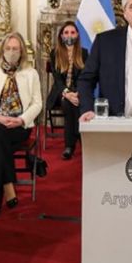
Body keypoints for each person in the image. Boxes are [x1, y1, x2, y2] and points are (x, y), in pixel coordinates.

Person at [0, 32, 43, 219]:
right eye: (8, 48)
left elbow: (37, 104)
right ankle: (7, 185)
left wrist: (21, 119)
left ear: (21, 51)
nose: (11, 52)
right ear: (2, 50)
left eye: (15, 49)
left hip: (19, 125)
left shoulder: (31, 74)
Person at [46, 22, 87, 160]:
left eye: (72, 32)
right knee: (69, 103)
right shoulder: (55, 53)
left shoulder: (84, 53)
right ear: (61, 36)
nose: (69, 35)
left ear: (77, 35)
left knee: (73, 103)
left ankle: (69, 146)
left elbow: (84, 78)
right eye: (66, 33)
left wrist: (75, 93)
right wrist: (66, 93)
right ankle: (77, 140)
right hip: (60, 92)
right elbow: (57, 80)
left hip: (77, 93)